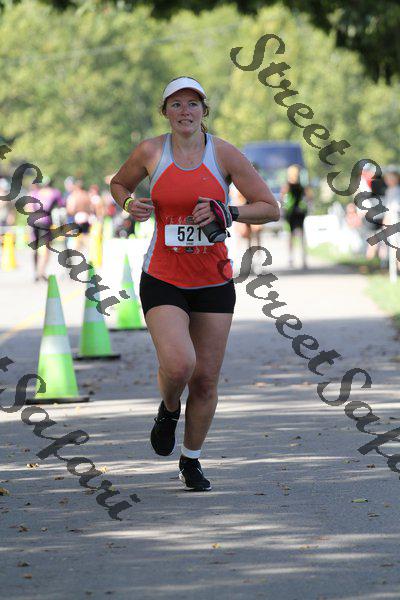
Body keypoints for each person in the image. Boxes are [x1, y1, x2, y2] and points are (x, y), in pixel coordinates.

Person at [110, 76, 279, 491]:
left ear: (204, 110)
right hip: (163, 276)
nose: (184, 111)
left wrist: (229, 212)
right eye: (176, 104)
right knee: (179, 365)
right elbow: (119, 183)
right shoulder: (151, 151)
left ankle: (191, 459)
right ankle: (169, 408)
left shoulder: (224, 154)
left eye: (192, 104)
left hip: (213, 279)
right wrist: (129, 203)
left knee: (204, 379)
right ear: (165, 111)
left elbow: (269, 208)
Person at [29, 178, 63, 282]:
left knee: (35, 247)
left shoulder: (35, 193)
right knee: (46, 247)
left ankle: (36, 271)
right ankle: (41, 271)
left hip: (34, 221)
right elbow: (61, 205)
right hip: (45, 222)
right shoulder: (54, 192)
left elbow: (29, 208)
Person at [280, 164, 312, 269]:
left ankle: (302, 258)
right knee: (291, 236)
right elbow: (283, 198)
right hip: (291, 214)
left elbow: (308, 197)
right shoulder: (288, 186)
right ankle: (292, 258)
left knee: (299, 236)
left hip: (298, 213)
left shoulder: (301, 186)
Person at [66, 179, 94, 253]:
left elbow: (70, 209)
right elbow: (91, 208)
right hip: (86, 218)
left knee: (76, 238)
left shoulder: (73, 195)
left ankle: (75, 254)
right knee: (86, 236)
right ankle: (88, 254)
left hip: (77, 218)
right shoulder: (86, 195)